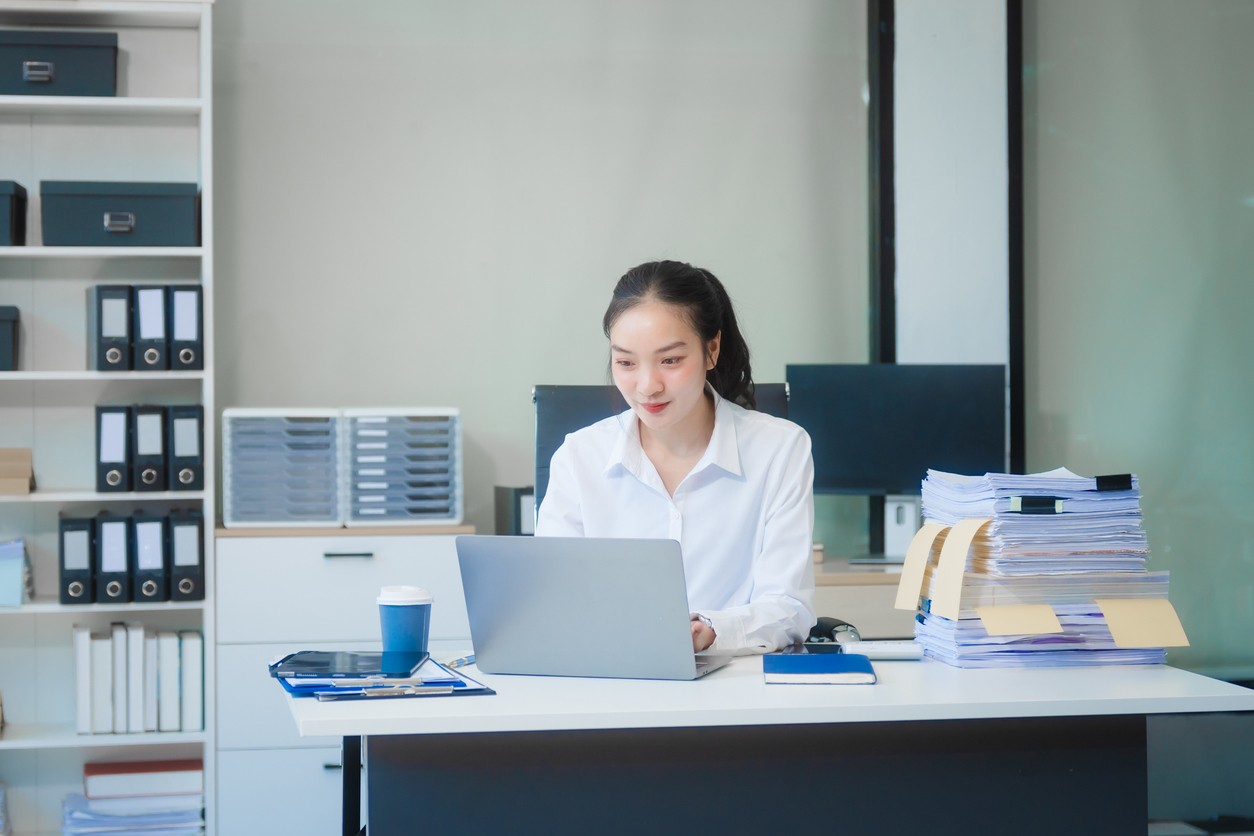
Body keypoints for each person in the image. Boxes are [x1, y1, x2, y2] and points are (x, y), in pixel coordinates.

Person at [536, 260, 817, 654]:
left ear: (711, 349)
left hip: (736, 687)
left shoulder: (779, 449)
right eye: (626, 362)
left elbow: (790, 607)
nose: (648, 386)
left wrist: (712, 630)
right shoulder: (580, 456)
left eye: (670, 360)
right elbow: (551, 597)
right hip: (610, 680)